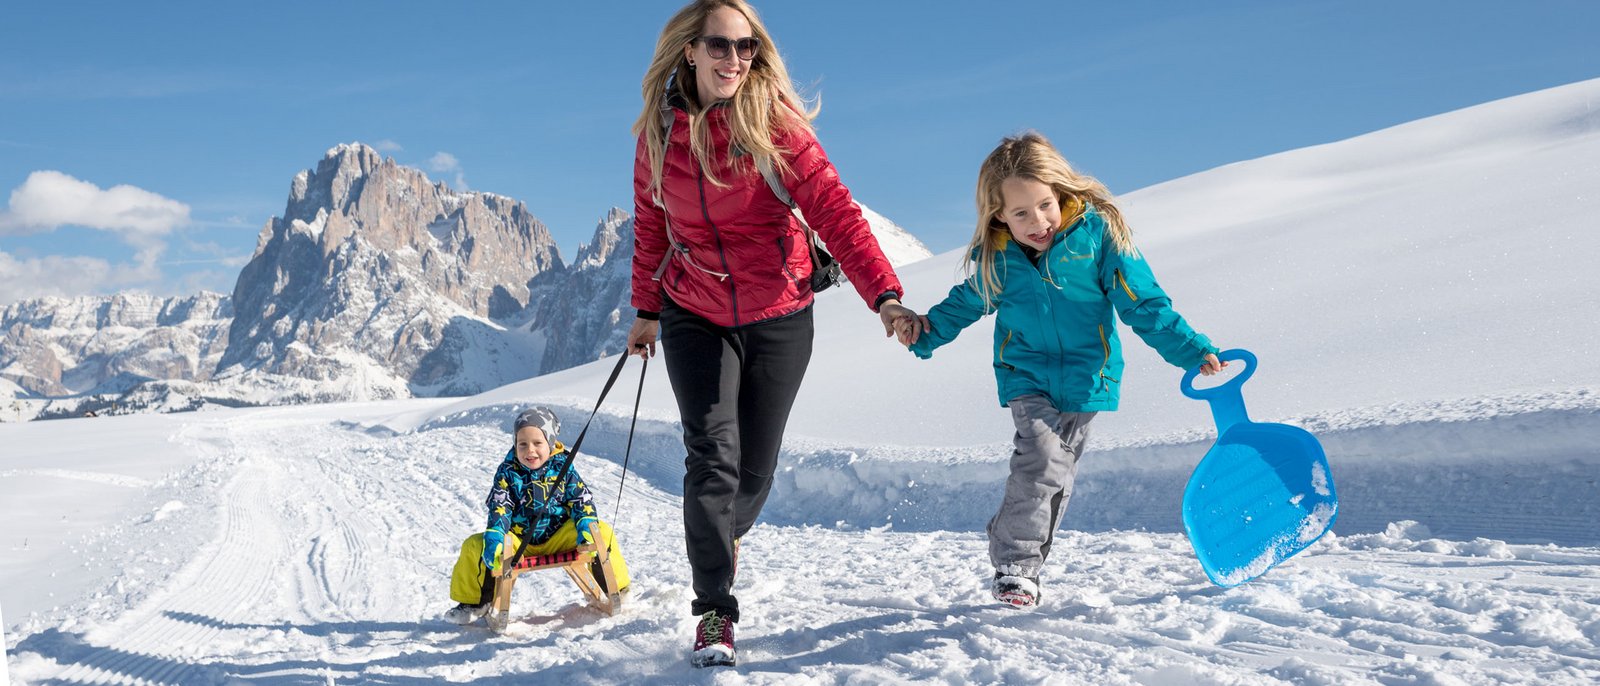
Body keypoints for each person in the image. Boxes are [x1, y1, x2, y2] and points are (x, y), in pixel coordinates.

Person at [625, 0, 923, 668]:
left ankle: (721, 538)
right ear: (690, 51)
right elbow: (652, 230)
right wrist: (646, 310)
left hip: (779, 311)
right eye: (721, 46)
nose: (735, 59)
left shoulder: (775, 126)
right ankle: (714, 614)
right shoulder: (657, 137)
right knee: (712, 455)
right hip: (693, 309)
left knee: (753, 471)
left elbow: (838, 213)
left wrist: (886, 296)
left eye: (747, 47)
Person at [897, 131, 1225, 609]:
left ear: (1061, 193)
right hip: (1025, 373)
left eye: (1045, 205)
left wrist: (1190, 348)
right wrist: (925, 333)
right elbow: (963, 305)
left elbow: (1143, 302)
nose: (1038, 222)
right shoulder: (1000, 259)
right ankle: (1016, 565)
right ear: (999, 215)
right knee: (1044, 459)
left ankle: (1018, 551)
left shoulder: (1099, 238)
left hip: (1087, 377)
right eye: (1021, 213)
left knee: (1057, 473)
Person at [442, 406, 631, 625]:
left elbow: (581, 500)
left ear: (550, 444)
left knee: (603, 532)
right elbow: (500, 507)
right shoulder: (508, 472)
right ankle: (474, 603)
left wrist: (585, 527)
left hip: (560, 537)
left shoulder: (563, 467)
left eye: (537, 443)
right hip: (520, 543)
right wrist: (495, 537)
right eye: (522, 444)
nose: (529, 450)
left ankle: (618, 588)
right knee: (474, 546)